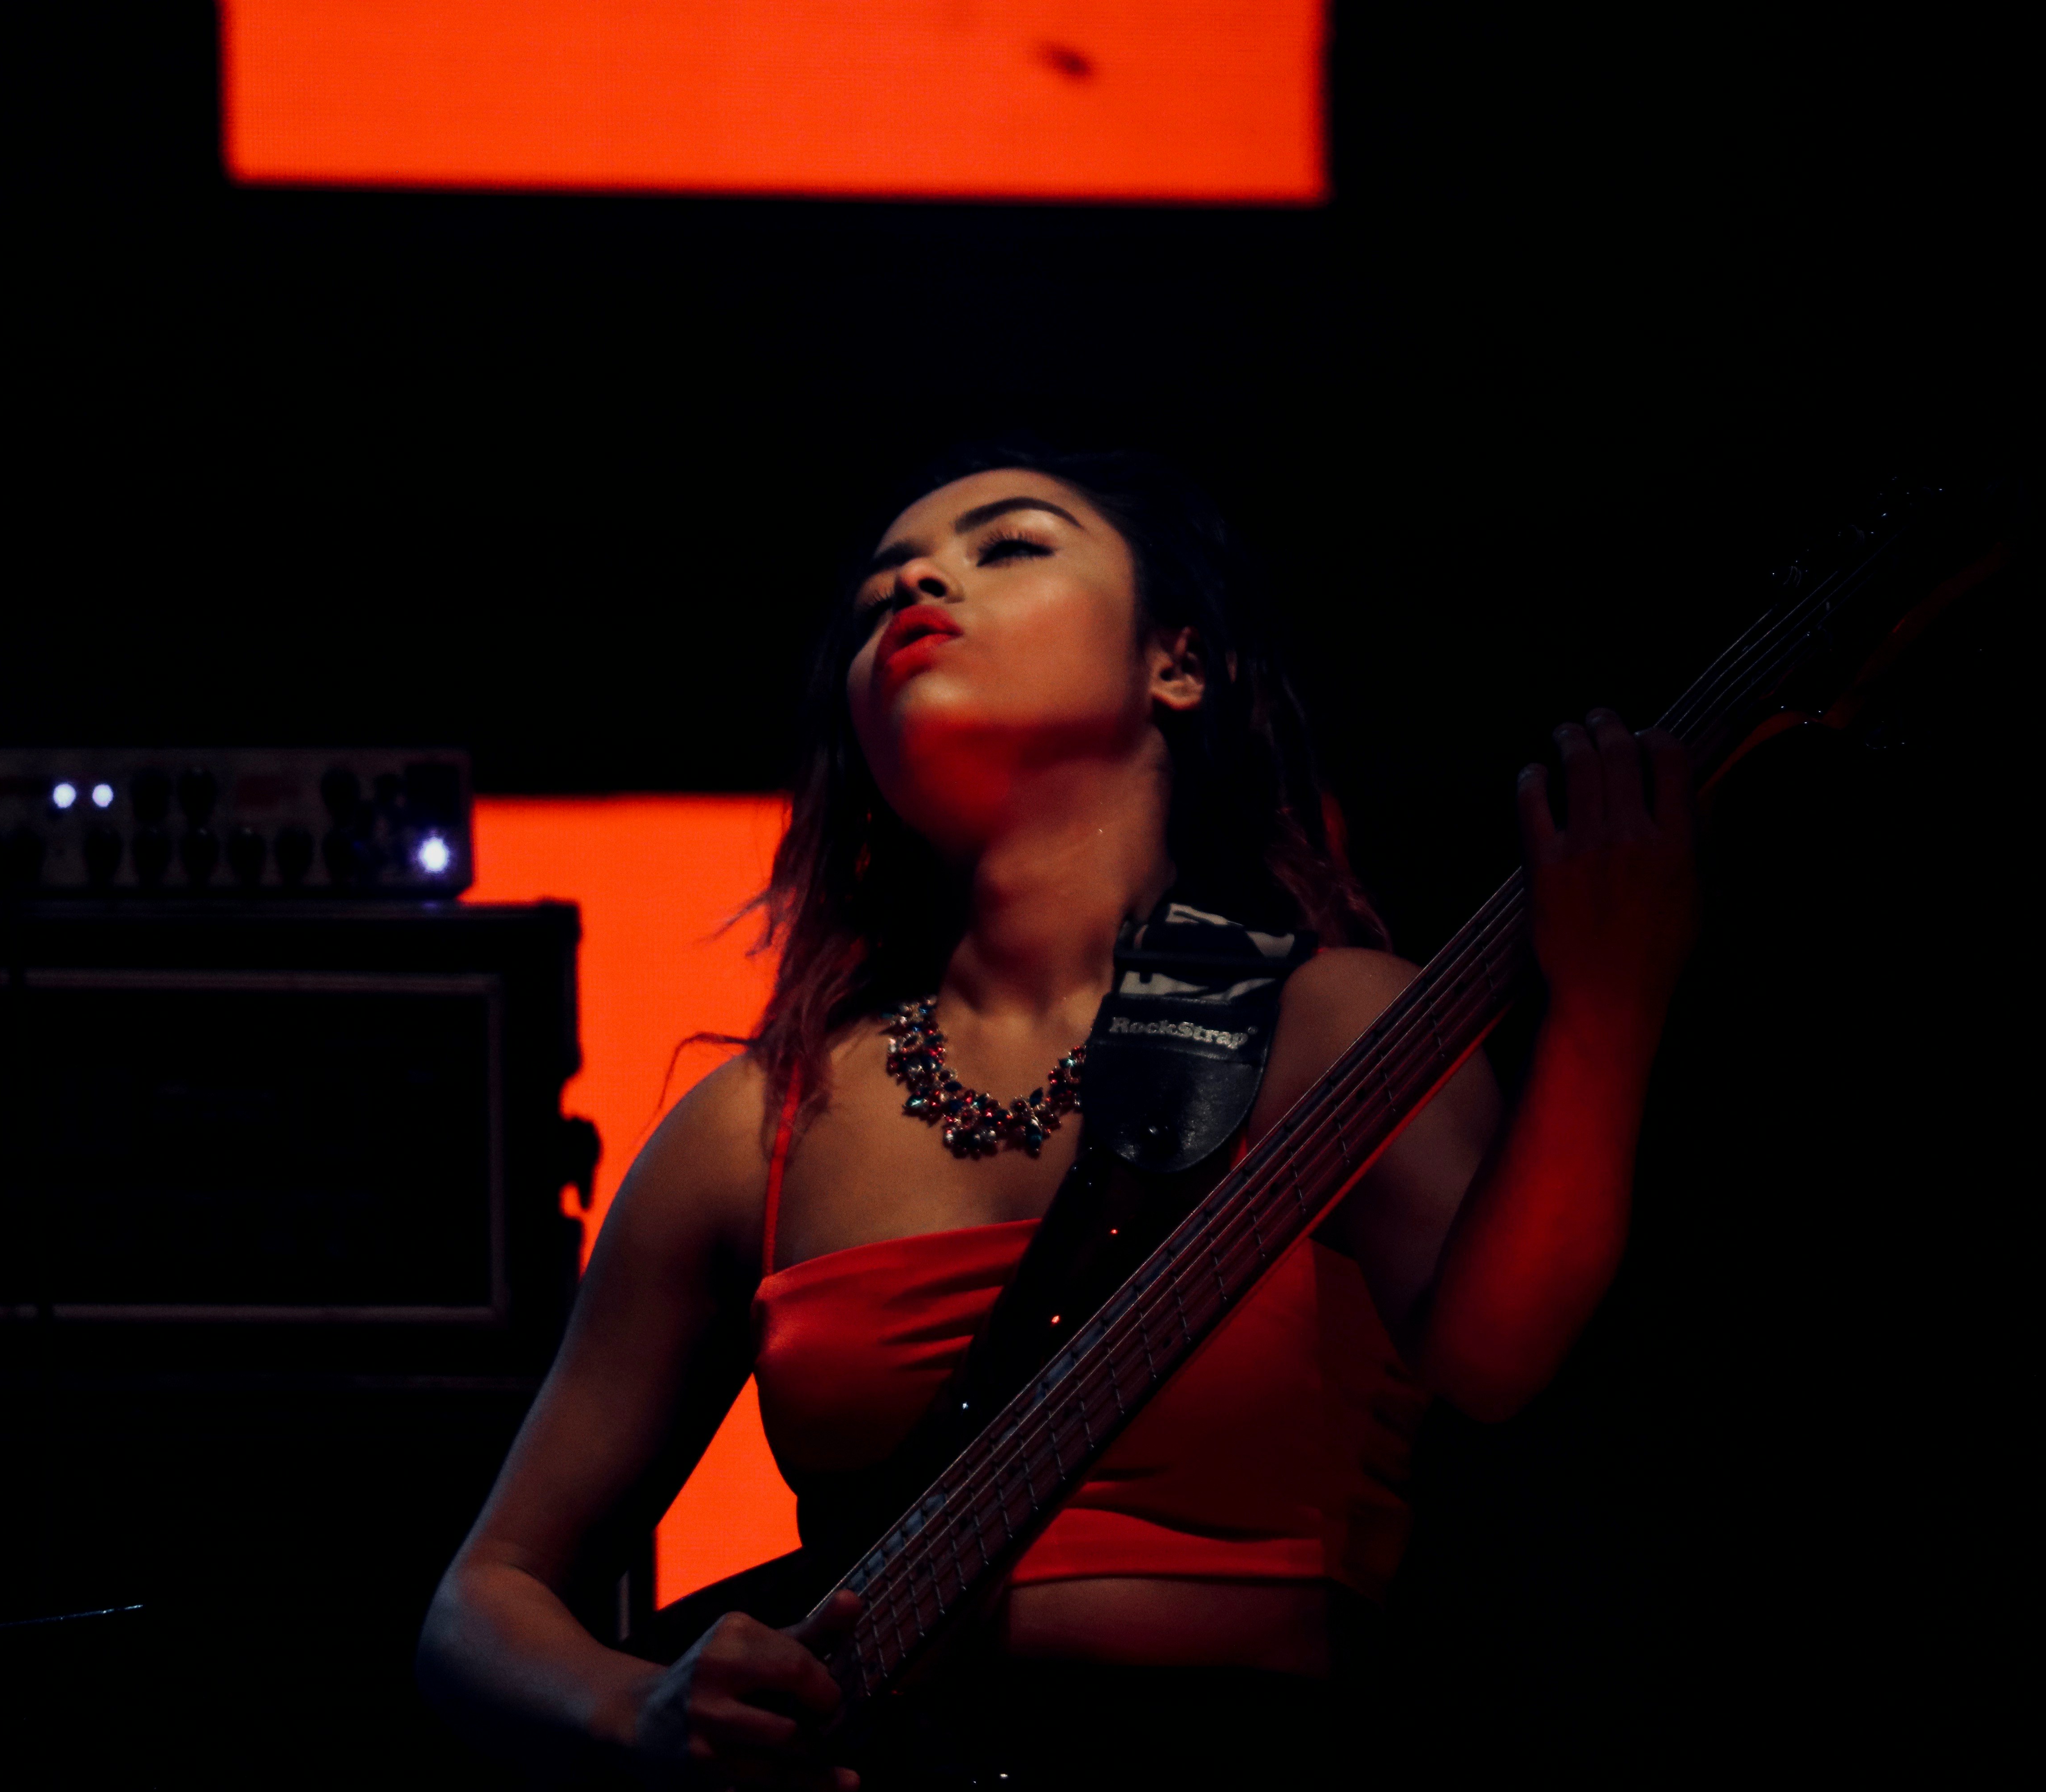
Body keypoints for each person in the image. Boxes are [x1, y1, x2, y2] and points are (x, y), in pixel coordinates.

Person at [417, 445, 1698, 1788]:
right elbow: (480, 1602)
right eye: (874, 598)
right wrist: (644, 1712)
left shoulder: (1330, 1020)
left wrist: (1611, 1016)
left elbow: (1496, 1355)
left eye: (1010, 544)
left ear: (1177, 665)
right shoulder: (757, 1124)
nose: (917, 579)